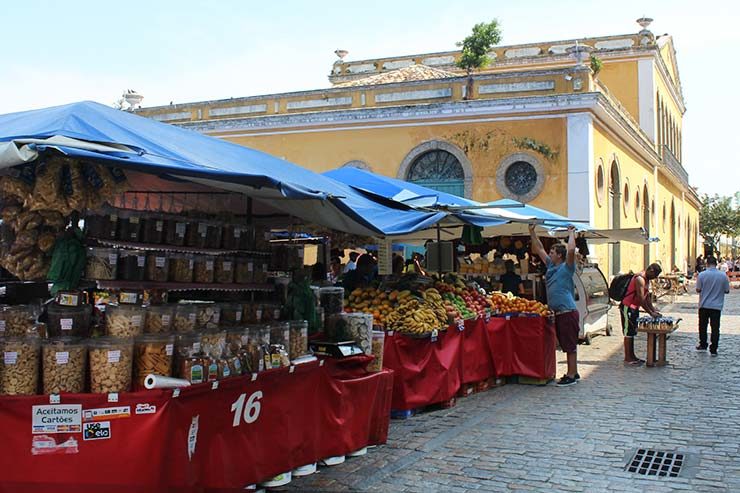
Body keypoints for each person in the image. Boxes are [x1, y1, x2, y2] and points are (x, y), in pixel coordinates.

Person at [529, 224, 579, 386]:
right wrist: (532, 232)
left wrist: (571, 233)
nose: (549, 254)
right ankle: (574, 372)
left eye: (552, 253)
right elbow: (539, 248)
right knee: (566, 343)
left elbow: (571, 251)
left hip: (567, 311)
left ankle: (571, 375)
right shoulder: (551, 266)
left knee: (569, 344)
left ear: (559, 255)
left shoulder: (567, 268)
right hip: (558, 312)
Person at [619, 263, 663, 365]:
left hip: (634, 308)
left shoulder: (646, 280)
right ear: (651, 270)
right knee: (628, 332)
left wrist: (653, 309)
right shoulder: (640, 279)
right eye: (655, 275)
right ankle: (628, 357)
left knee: (633, 331)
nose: (655, 278)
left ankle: (632, 355)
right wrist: (650, 312)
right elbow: (641, 298)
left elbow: (647, 297)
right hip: (628, 307)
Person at [695, 256, 731, 355]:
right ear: (716, 264)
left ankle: (703, 344)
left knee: (702, 326)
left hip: (704, 304)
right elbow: (727, 290)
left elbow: (698, 289)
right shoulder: (723, 276)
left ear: (707, 264)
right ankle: (714, 348)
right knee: (715, 328)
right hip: (716, 306)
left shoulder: (702, 275)